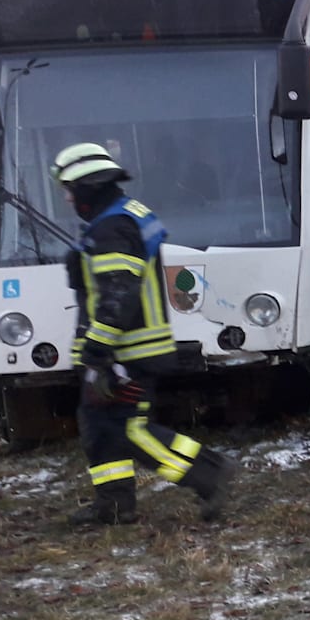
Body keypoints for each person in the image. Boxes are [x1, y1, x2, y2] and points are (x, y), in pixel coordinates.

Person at [52, 142, 236, 526]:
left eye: (70, 189)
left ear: (88, 188)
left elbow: (118, 292)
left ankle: (209, 473)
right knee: (99, 426)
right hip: (127, 349)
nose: (67, 198)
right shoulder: (124, 216)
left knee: (129, 430)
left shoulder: (111, 228)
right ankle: (114, 505)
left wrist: (98, 352)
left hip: (127, 352)